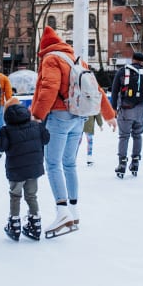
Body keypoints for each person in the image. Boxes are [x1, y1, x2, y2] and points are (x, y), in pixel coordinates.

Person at [29, 26, 116, 238]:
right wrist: (109, 114)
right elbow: (96, 89)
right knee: (69, 163)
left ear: (44, 47)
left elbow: (49, 87)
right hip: (79, 117)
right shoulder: (76, 60)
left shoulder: (51, 59)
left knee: (52, 163)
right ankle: (74, 210)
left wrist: (37, 115)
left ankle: (62, 211)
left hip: (59, 117)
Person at [0, 97, 50, 241]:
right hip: (33, 169)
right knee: (32, 196)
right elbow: (46, 139)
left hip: (16, 172)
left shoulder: (7, 130)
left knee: (15, 196)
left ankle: (14, 224)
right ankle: (35, 223)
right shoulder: (35, 126)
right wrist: (41, 123)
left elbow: (0, 146)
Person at [110, 51, 143, 178]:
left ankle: (122, 164)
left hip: (126, 109)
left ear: (132, 59)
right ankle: (135, 162)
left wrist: (113, 108)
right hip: (141, 110)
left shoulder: (123, 71)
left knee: (124, 136)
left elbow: (114, 91)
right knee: (137, 135)